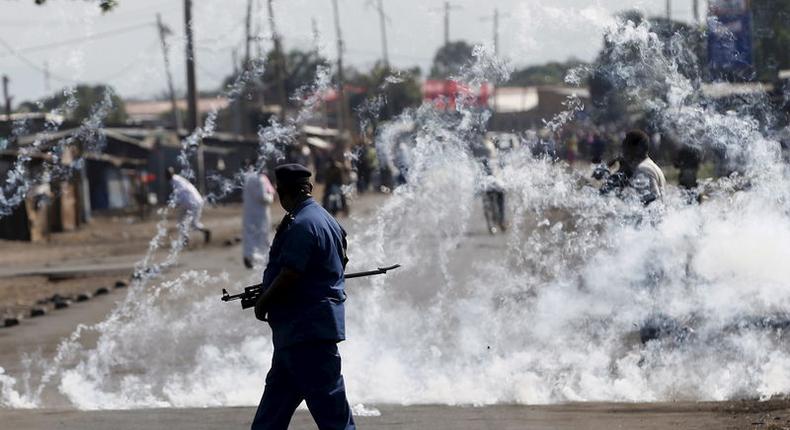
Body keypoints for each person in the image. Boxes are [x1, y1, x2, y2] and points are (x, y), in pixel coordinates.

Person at [251, 163, 355, 430]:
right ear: (308, 188)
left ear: (284, 192)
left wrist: (264, 301)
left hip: (307, 335)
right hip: (296, 335)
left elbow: (290, 274)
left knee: (333, 418)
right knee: (270, 417)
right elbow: (338, 264)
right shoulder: (327, 220)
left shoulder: (302, 225)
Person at [599, 130, 666, 205]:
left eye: (625, 147)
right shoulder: (651, 166)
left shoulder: (643, 169)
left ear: (637, 149)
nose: (623, 153)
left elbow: (650, 202)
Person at [242, 161, 275, 269]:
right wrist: (271, 197)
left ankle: (249, 257)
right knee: (263, 235)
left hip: (249, 212)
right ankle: (265, 259)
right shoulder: (260, 179)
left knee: (250, 235)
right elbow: (263, 197)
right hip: (261, 213)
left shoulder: (247, 179)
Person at [166, 167, 211, 244]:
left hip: (190, 202)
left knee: (189, 223)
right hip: (194, 201)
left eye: (167, 174)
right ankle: (186, 239)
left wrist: (176, 203)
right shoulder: (178, 179)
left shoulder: (175, 181)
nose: (166, 176)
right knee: (184, 222)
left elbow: (181, 193)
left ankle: (188, 238)